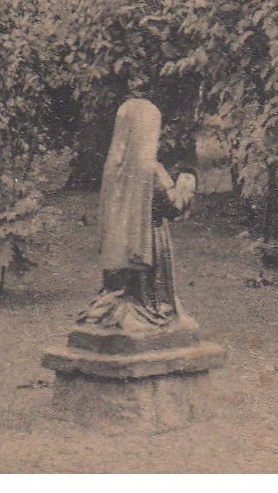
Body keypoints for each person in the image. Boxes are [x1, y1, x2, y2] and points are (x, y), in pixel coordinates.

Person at [76, 98, 197, 331]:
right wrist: (186, 186)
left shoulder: (114, 169)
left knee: (121, 286)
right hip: (148, 239)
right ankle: (150, 311)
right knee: (151, 291)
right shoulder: (150, 171)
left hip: (120, 242)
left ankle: (116, 306)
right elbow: (173, 207)